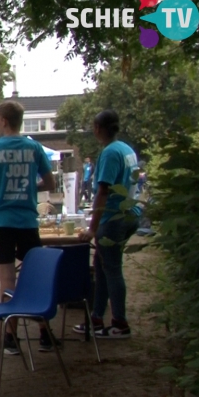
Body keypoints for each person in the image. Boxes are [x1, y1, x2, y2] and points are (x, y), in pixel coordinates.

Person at [0, 100, 56, 355]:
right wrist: (29, 188)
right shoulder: (34, 147)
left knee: (7, 280)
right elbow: (49, 182)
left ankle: (11, 337)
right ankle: (44, 334)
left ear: (4, 121)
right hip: (28, 220)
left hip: (1, 221)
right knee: (35, 279)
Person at [75, 110, 141, 339]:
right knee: (101, 264)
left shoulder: (110, 153)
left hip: (114, 217)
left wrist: (93, 228)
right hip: (130, 212)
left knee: (111, 268)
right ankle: (96, 318)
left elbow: (103, 191)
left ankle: (120, 323)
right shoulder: (127, 150)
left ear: (98, 128)